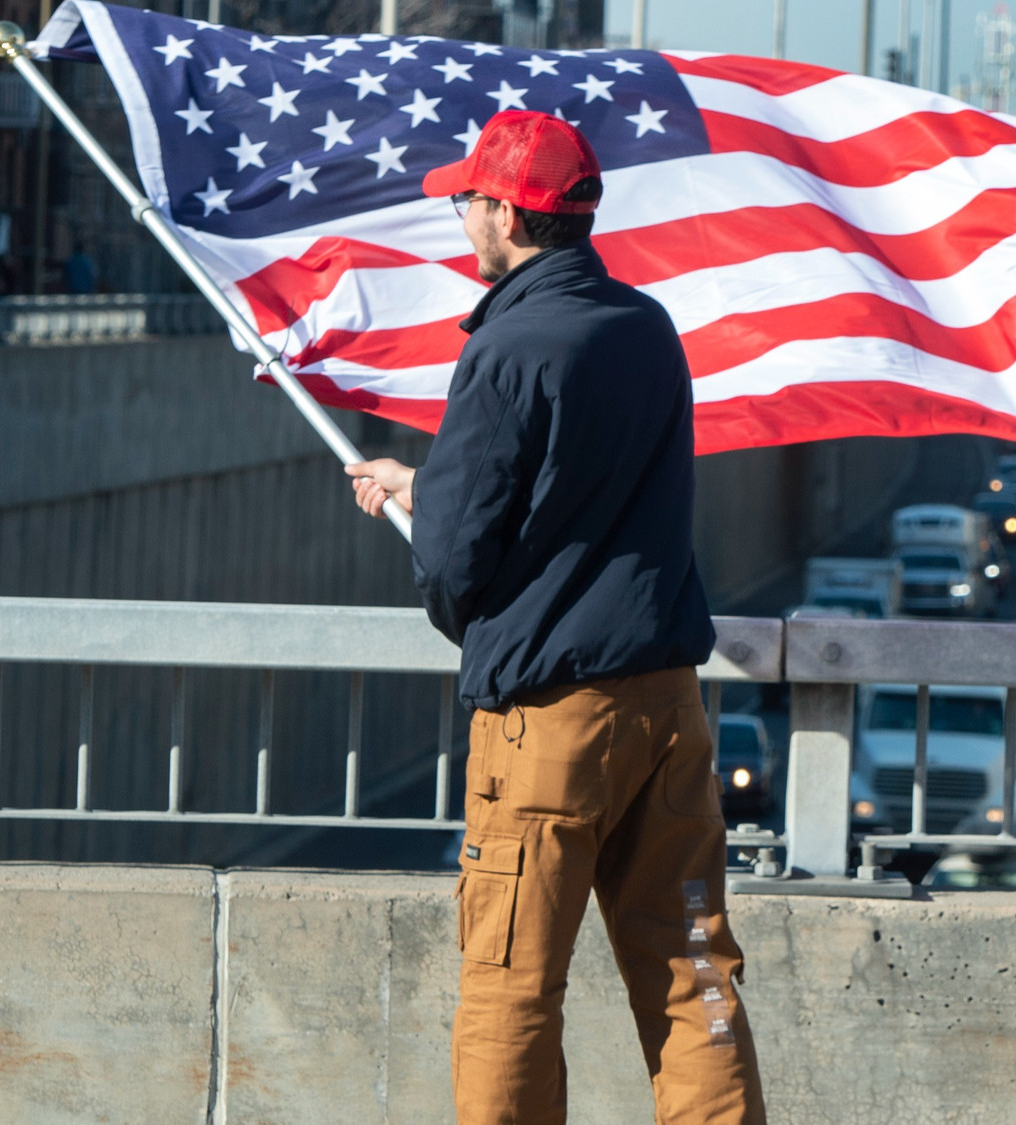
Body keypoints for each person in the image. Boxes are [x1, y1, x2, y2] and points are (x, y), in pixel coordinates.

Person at [346, 110, 765, 1125]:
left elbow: (456, 563)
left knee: (510, 988)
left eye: (468, 199)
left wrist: (429, 522)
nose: (458, 214)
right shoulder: (644, 328)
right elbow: (579, 486)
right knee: (691, 974)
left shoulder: (505, 350)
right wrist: (426, 484)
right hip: (665, 709)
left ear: (505, 211)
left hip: (548, 725)